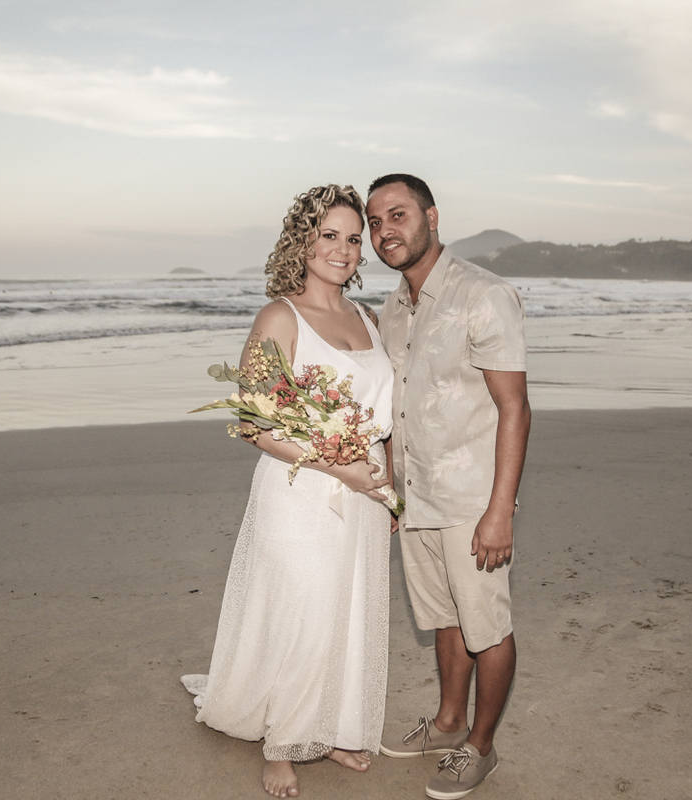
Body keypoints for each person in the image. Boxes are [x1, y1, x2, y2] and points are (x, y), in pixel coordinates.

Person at [188, 185, 395, 798]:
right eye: (329, 235)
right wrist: (340, 467)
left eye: (353, 239)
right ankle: (282, 741)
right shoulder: (280, 317)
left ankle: (327, 727)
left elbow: (381, 412)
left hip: (363, 491)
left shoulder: (370, 319)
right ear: (303, 241)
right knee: (301, 610)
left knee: (346, 610)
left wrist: (383, 489)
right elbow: (254, 423)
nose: (343, 249)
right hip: (301, 488)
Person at [368, 174, 531, 799]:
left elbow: (513, 408)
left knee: (485, 623)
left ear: (431, 217)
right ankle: (445, 724)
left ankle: (480, 747)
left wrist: (500, 511)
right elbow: (397, 408)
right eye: (377, 222)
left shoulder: (483, 295)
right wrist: (389, 486)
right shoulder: (392, 307)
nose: (387, 231)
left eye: (399, 215)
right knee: (442, 618)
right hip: (417, 498)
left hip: (472, 499)